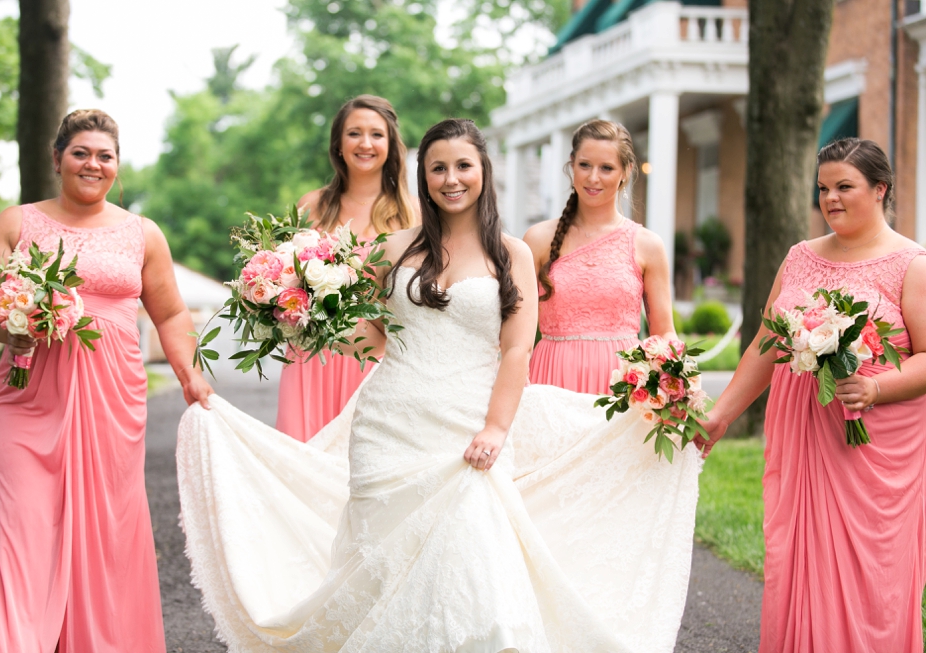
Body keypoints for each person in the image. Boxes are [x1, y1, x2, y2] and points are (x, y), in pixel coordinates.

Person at [176, 119, 702, 652]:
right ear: (422, 178)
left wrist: (497, 428)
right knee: (384, 569)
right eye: (438, 168)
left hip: (470, 429)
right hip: (389, 426)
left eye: (463, 166)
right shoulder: (393, 249)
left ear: (483, 171)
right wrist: (306, 309)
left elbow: (518, 348)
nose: (451, 179)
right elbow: (374, 335)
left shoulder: (512, 252)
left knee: (479, 582)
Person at [0, 109, 214, 652]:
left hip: (111, 404)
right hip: (27, 397)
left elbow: (170, 315)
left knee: (104, 535)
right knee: (23, 531)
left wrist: (190, 375)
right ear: (57, 159)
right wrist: (11, 327)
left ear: (118, 166)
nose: (92, 164)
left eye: (105, 155)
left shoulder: (142, 233)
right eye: (80, 153)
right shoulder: (16, 222)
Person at [695, 138, 926, 652]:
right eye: (823, 188)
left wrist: (875, 386)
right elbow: (765, 343)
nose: (831, 198)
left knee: (871, 575)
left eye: (845, 186)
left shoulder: (911, 264)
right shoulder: (800, 257)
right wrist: (722, 415)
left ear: (880, 189)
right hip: (803, 432)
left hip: (871, 444)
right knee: (801, 560)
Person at [276, 95, 417, 442]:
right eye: (354, 133)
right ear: (338, 144)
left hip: (376, 361)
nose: (365, 143)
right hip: (311, 357)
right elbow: (283, 276)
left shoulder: (413, 213)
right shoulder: (311, 205)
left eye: (376, 134)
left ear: (391, 144)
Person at [523, 120, 674, 394]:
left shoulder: (647, 245)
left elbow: (663, 333)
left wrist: (677, 381)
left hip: (623, 385)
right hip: (550, 382)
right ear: (572, 165)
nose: (593, 178)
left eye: (606, 168)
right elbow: (516, 330)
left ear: (626, 171)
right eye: (585, 165)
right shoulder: (537, 239)